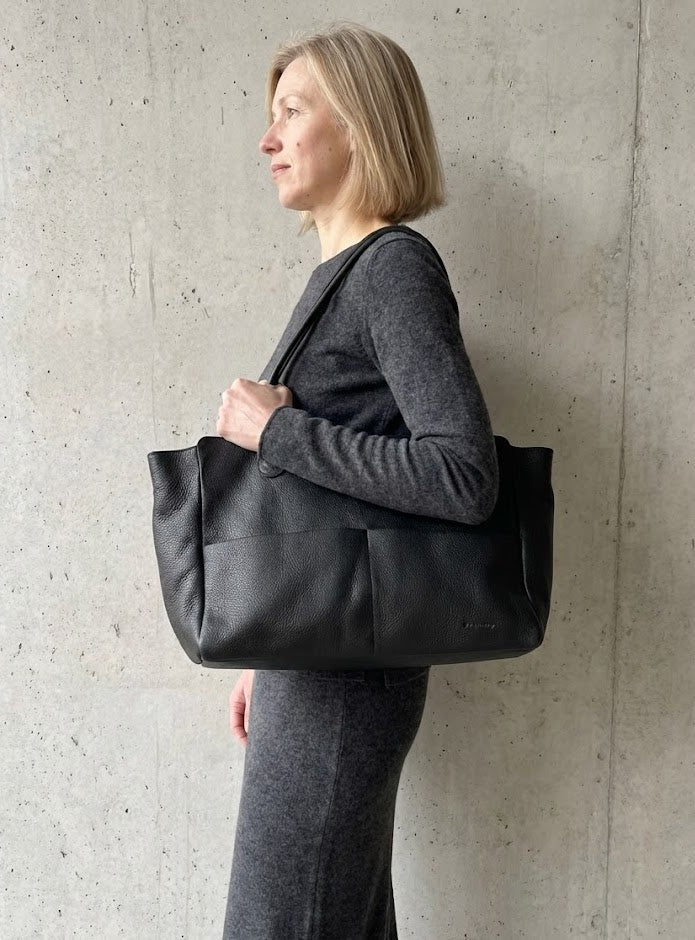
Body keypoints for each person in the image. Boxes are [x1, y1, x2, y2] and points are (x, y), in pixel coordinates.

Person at [218, 21, 499, 939]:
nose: (268, 139)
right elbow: (315, 510)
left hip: (345, 678)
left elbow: (463, 475)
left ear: (361, 125)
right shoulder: (340, 277)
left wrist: (278, 431)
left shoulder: (392, 271)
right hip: (313, 660)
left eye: (291, 112)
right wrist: (265, 653)